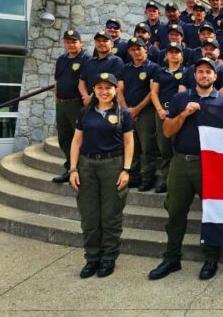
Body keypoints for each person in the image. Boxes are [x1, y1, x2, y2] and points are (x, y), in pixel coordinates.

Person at [148, 58, 223, 281]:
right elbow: (167, 131)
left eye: (208, 72)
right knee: (175, 212)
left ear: (215, 77)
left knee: (211, 214)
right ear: (194, 76)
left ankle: (211, 259)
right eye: (200, 71)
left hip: (209, 166)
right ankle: (171, 258)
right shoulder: (181, 98)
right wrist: (184, 114)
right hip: (181, 163)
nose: (204, 75)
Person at [68, 72, 134, 278]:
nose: (104, 92)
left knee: (111, 216)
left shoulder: (123, 114)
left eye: (108, 88)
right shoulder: (85, 112)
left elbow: (129, 142)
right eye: (100, 88)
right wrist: (73, 169)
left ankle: (108, 258)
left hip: (112, 165)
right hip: (87, 166)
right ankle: (92, 258)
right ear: (94, 90)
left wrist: (126, 170)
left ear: (116, 90)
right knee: (89, 216)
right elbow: (76, 141)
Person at [117, 37, 161, 192]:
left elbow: (152, 92)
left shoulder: (153, 68)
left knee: (147, 147)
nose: (136, 52)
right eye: (133, 49)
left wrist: (136, 109)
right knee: (131, 145)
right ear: (129, 52)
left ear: (146, 49)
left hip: (146, 113)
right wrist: (126, 110)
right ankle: (134, 177)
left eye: (139, 48)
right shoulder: (125, 68)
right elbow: (119, 90)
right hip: (127, 112)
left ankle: (147, 178)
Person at [52, 29, 90, 184]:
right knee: (64, 138)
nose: (71, 45)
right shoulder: (61, 59)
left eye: (74, 42)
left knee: (79, 139)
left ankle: (83, 171)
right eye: (68, 42)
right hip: (61, 104)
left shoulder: (87, 59)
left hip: (77, 104)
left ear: (80, 43)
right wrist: (56, 99)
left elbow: (89, 83)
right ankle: (70, 169)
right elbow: (57, 81)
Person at [149, 42, 186, 194]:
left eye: (177, 52)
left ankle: (178, 181)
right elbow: (153, 92)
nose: (174, 54)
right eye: (171, 52)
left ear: (181, 55)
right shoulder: (160, 72)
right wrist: (159, 110)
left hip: (178, 113)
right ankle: (165, 179)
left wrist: (178, 112)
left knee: (177, 147)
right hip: (162, 112)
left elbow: (184, 93)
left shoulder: (186, 71)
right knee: (164, 147)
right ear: (166, 55)